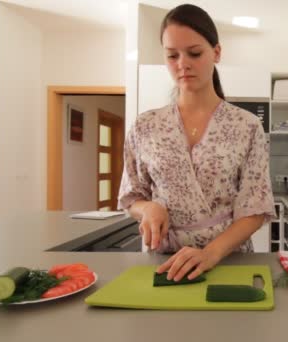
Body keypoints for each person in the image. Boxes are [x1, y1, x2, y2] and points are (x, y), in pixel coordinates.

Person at [117, 4, 275, 283]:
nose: (182, 64)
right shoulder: (145, 126)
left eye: (194, 53)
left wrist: (211, 253)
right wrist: (148, 208)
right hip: (165, 263)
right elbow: (131, 197)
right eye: (172, 55)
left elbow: (255, 209)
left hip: (228, 260)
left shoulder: (247, 126)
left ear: (216, 52)